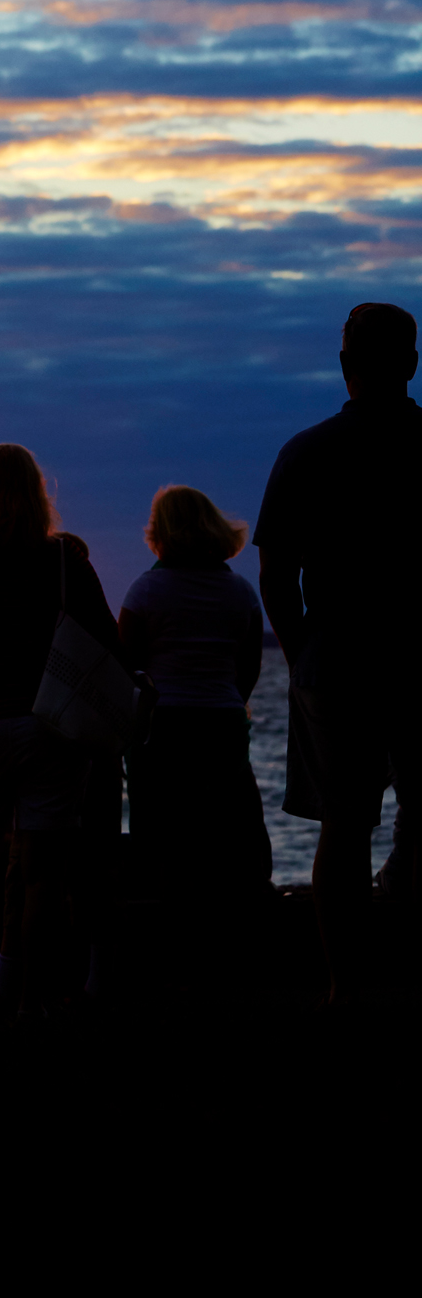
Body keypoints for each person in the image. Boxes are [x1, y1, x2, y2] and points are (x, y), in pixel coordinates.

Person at [255, 301, 422, 1006]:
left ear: (346, 367)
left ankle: (343, 985)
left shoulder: (306, 451)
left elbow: (274, 575)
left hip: (335, 661)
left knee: (343, 830)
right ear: (411, 365)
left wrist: (300, 652)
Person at [0, 443, 116, 1017]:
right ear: (37, 495)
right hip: (49, 726)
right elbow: (106, 637)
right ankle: (35, 998)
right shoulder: (64, 562)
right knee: (42, 876)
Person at [119, 486, 271, 897]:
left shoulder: (146, 590)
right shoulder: (241, 592)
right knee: (223, 827)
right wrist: (224, 699)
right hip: (222, 722)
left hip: (162, 728)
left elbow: (127, 669)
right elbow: (250, 668)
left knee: (159, 834)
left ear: (161, 530)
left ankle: (164, 922)